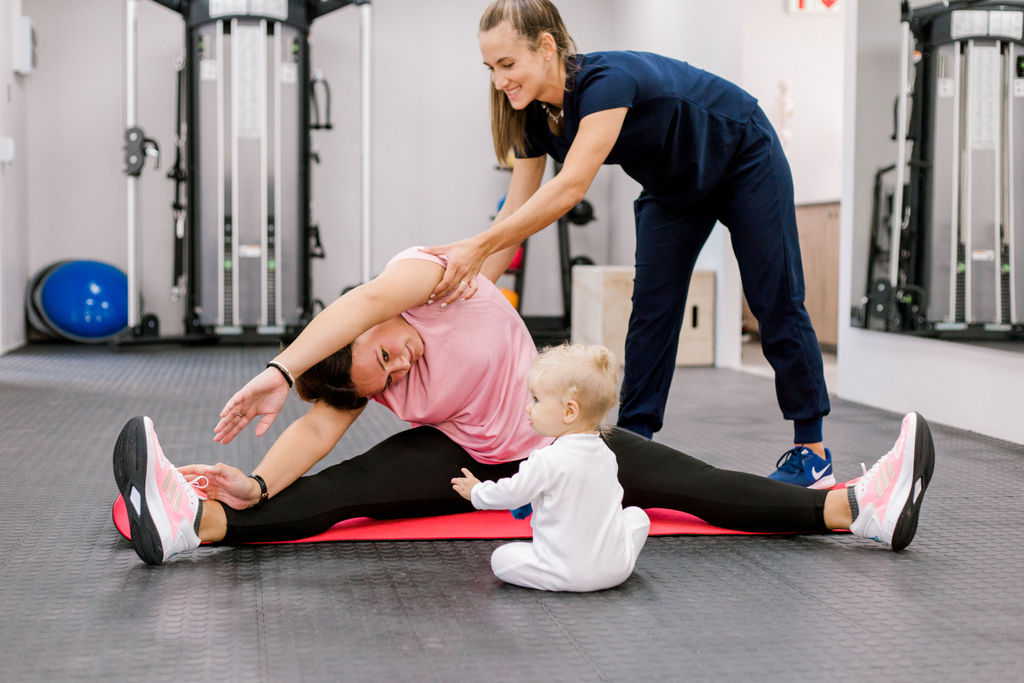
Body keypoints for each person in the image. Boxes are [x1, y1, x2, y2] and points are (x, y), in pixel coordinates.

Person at [111, 247, 934, 567]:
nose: (399, 365)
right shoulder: (366, 380)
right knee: (340, 491)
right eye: (383, 376)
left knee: (696, 482)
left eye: (385, 351)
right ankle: (191, 524)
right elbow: (319, 429)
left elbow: (362, 301)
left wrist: (278, 368)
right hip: (468, 460)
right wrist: (254, 484)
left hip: (562, 443)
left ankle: (858, 508)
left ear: (371, 320)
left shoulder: (425, 278)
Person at [420, 0, 833, 488]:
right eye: (490, 68)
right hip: (672, 187)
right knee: (651, 311)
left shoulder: (605, 83)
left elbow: (571, 187)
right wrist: (471, 297)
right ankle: (634, 446)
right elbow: (514, 214)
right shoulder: (531, 115)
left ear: (546, 47)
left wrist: (474, 247)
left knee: (773, 295)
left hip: (743, 155)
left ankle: (811, 450)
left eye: (507, 64)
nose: (499, 80)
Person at [451, 343, 650, 592]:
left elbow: (511, 493)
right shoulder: (607, 456)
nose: (528, 407)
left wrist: (477, 492)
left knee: (500, 559)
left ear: (569, 411)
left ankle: (565, 572)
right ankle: (610, 562)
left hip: (568, 573)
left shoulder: (546, 460)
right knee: (637, 516)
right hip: (616, 570)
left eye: (536, 400)